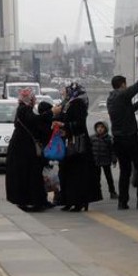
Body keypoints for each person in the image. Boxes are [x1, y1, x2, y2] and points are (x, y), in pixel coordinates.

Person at [107, 59, 138, 210]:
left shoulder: (111, 99)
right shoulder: (123, 95)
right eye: (125, 84)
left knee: (125, 171)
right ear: (122, 85)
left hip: (118, 141)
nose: (127, 86)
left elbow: (130, 110)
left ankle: (122, 202)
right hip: (130, 139)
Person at [6, 88, 62, 212]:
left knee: (32, 175)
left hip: (24, 148)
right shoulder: (23, 109)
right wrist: (51, 112)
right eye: (33, 98)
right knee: (27, 175)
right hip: (22, 149)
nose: (34, 100)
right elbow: (33, 121)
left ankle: (37, 200)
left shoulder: (24, 109)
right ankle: (28, 201)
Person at [53, 83, 102, 212]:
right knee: (66, 172)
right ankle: (69, 201)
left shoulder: (77, 103)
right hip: (70, 143)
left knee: (77, 175)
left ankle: (78, 202)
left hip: (77, 145)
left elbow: (78, 123)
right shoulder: (69, 102)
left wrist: (64, 125)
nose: (63, 92)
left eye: (66, 90)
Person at [90, 121, 118, 199]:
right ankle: (97, 193)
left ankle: (112, 192)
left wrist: (114, 160)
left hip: (105, 160)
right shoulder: (92, 138)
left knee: (109, 177)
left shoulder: (109, 139)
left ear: (105, 129)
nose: (100, 129)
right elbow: (89, 149)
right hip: (95, 161)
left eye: (102, 127)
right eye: (98, 127)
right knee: (96, 178)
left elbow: (112, 151)